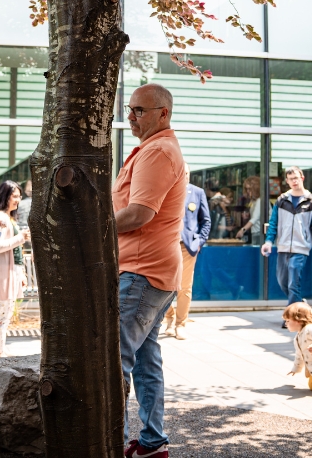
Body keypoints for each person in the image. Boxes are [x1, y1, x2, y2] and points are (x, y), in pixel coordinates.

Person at [115, 83, 187, 458]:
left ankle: (110, 444)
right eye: (130, 109)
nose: (131, 117)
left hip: (141, 272)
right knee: (145, 361)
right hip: (150, 272)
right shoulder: (155, 148)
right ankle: (151, 443)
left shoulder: (158, 150)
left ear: (163, 114)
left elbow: (140, 213)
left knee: (116, 362)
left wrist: (93, 231)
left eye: (139, 110)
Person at [261, 166, 312, 326]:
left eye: (296, 177)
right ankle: (300, 303)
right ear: (287, 181)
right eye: (290, 179)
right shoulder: (281, 200)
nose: (294, 181)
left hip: (301, 248)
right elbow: (273, 223)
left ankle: (291, 317)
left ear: (302, 178)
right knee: (282, 281)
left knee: (293, 282)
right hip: (282, 248)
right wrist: (268, 242)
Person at [163, 163, 210, 338]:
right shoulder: (166, 190)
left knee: (184, 287)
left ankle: (180, 324)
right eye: (183, 173)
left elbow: (206, 221)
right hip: (167, 245)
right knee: (165, 285)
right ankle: (169, 317)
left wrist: (199, 241)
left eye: (188, 173)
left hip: (187, 246)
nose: (186, 176)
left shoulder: (197, 192)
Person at [0, 180, 30, 356]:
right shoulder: (0, 218)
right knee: (1, 314)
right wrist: (20, 238)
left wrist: (20, 273)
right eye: (14, 196)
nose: (18, 199)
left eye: (19, 196)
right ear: (5, 196)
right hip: (2, 275)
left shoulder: (7, 218)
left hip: (9, 273)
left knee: (4, 315)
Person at [236, 175, 262, 244]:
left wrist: (242, 230)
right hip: (255, 232)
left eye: (250, 189)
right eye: (246, 189)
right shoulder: (253, 201)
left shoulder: (260, 200)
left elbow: (254, 219)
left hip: (260, 233)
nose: (248, 191)